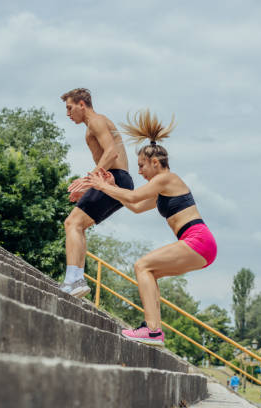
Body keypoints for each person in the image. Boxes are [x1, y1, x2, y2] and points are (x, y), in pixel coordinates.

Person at [86, 109, 217, 346]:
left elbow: (135, 196)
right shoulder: (162, 188)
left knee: (142, 265)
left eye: (142, 166)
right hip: (201, 246)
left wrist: (102, 186)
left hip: (197, 240)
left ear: (155, 163)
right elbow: (135, 206)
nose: (139, 172)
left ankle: (153, 331)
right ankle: (153, 329)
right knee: (150, 272)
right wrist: (112, 184)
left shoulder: (166, 178)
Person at [59, 88, 134, 298]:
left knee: (71, 223)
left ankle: (72, 280)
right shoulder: (92, 127)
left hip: (114, 177)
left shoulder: (96, 121)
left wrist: (87, 181)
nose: (68, 114)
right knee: (77, 224)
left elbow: (111, 153)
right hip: (116, 179)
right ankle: (76, 280)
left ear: (82, 105)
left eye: (70, 107)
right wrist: (90, 185)